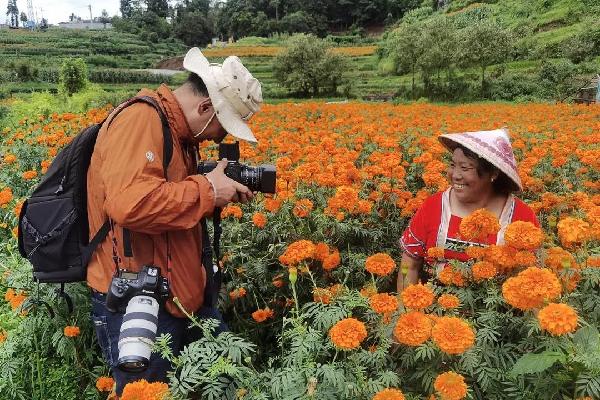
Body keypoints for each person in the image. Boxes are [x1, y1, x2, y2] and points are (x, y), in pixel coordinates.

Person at [86, 47, 262, 395]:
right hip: (136, 299)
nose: (219, 139)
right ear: (205, 107)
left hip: (175, 290)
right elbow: (130, 203)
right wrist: (209, 191)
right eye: (222, 128)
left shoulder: (178, 134)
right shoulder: (140, 121)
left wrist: (217, 194)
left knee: (221, 377)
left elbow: (168, 201)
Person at [397, 128, 539, 291]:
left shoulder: (521, 216)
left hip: (498, 311)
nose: (455, 175)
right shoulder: (433, 206)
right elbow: (409, 267)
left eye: (464, 168)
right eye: (452, 165)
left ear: (492, 173)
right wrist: (407, 312)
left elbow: (533, 278)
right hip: (435, 309)